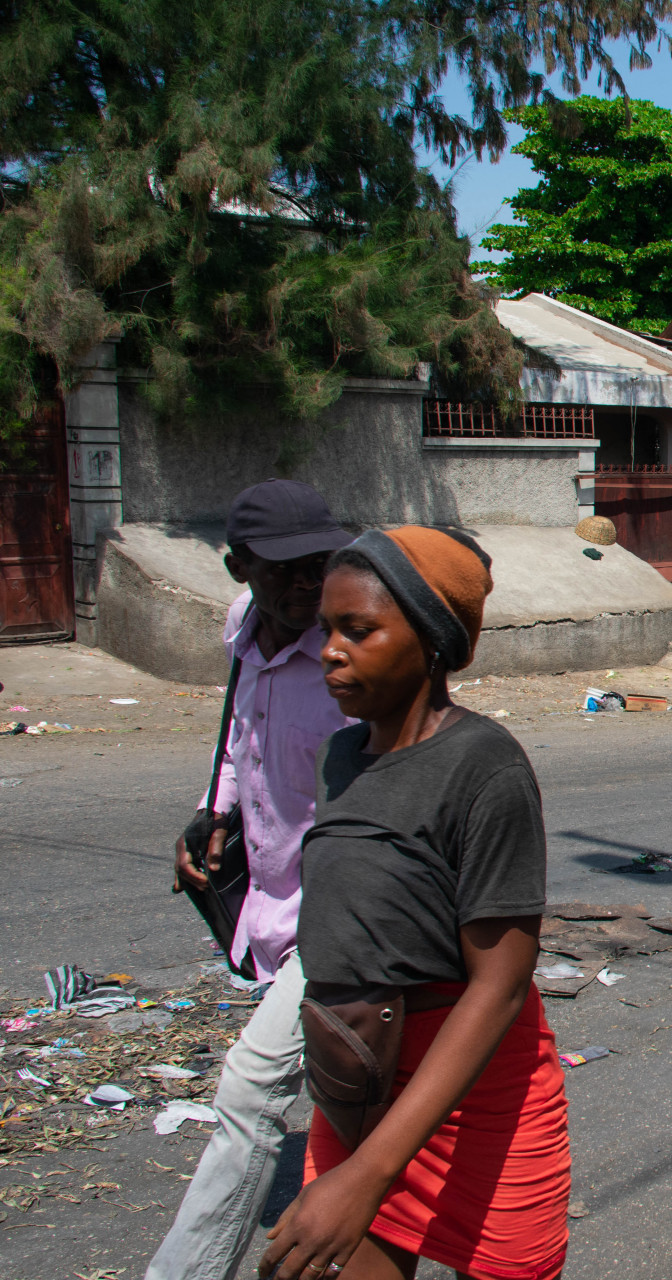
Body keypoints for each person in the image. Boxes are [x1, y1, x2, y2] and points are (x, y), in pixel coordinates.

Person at [259, 527, 569, 1280]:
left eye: (358, 631)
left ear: (430, 640)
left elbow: (497, 989)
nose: (330, 649)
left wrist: (368, 1177)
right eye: (327, 629)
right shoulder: (342, 757)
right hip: (360, 1083)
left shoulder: (485, 767)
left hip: (478, 1098)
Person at [149, 480, 353, 1280]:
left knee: (250, 1089)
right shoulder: (242, 631)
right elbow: (240, 734)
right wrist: (215, 811)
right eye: (288, 571)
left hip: (341, 909)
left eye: (320, 565)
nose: (310, 585)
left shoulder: (351, 652)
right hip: (272, 894)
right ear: (240, 569)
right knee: (351, 1082)